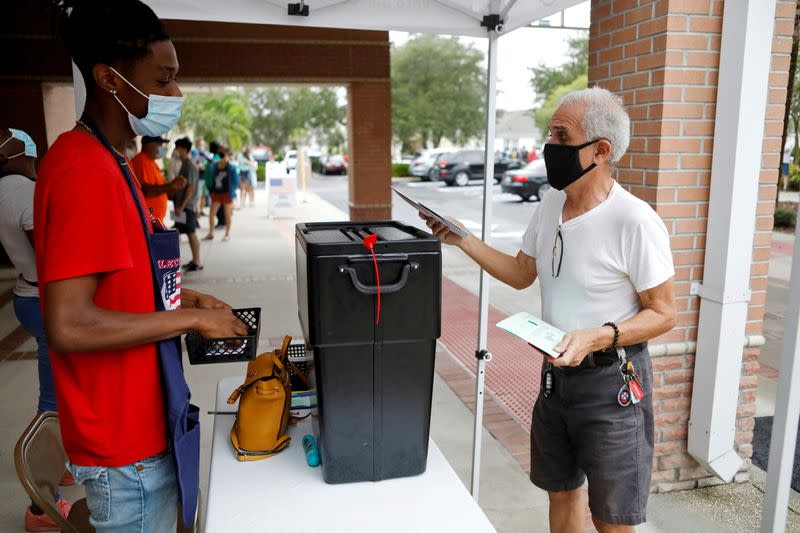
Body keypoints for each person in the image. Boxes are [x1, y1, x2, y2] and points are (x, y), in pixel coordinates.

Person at [421, 87, 676, 533]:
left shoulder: (634, 220)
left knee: (612, 519)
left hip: (611, 385)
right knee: (561, 493)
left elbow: (664, 313)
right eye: (551, 134)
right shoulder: (551, 203)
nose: (549, 147)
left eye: (561, 135)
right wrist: (463, 238)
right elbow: (522, 273)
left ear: (601, 150)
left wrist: (596, 335)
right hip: (556, 381)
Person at [40, 2, 249, 531]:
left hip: (148, 422)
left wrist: (191, 299)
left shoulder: (116, 163)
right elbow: (69, 324)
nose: (175, 95)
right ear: (109, 79)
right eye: (163, 79)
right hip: (122, 446)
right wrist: (194, 321)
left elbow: (122, 284)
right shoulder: (82, 169)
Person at [0, 128, 74, 532]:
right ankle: (40, 506)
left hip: (26, 295)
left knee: (60, 393)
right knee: (53, 402)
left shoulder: (4, 191)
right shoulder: (22, 191)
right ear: (27, 156)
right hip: (45, 300)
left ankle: (61, 466)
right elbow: (52, 255)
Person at [130, 135, 185, 223]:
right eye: (160, 145)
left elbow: (160, 187)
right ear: (150, 145)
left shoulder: (151, 162)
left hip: (154, 220)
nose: (162, 148)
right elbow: (146, 191)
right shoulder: (141, 161)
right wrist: (170, 186)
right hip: (147, 220)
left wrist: (173, 187)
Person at [172, 137, 203, 271]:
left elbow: (190, 188)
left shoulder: (189, 165)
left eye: (177, 148)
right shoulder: (184, 163)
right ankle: (193, 260)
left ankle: (197, 261)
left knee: (191, 232)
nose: (176, 151)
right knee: (182, 232)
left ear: (184, 149)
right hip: (182, 206)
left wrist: (182, 206)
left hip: (186, 206)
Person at [203, 147, 239, 241]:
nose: (222, 156)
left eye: (223, 154)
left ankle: (227, 234)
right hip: (217, 193)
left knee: (227, 214)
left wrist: (232, 193)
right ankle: (211, 233)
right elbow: (209, 176)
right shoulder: (214, 166)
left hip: (227, 193)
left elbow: (235, 181)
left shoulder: (231, 167)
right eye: (220, 154)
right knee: (211, 214)